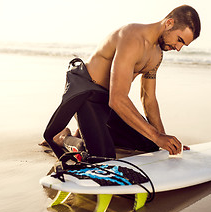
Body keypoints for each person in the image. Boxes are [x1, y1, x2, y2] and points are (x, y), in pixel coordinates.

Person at [42, 5, 201, 162]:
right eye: (179, 40)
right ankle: (64, 138)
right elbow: (117, 99)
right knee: (102, 158)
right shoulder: (132, 38)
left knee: (151, 144)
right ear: (169, 23)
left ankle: (89, 129)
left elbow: (149, 99)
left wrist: (164, 140)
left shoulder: (157, 55)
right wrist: (157, 136)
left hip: (109, 104)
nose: (178, 48)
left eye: (183, 45)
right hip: (88, 96)